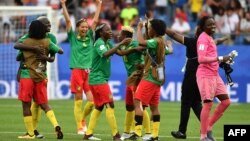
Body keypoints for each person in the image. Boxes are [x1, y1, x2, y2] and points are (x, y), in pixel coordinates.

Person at [166, 20, 229, 139]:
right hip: (203, 74)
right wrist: (223, 39)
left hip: (193, 74)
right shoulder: (206, 40)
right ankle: (207, 130)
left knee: (186, 101)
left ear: (199, 29)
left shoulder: (192, 41)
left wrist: (163, 28)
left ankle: (182, 131)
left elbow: (174, 35)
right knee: (196, 103)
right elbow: (216, 42)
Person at [14, 20, 64, 139]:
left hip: (27, 75)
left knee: (26, 105)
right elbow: (60, 51)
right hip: (41, 75)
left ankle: (30, 133)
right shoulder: (47, 41)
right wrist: (45, 55)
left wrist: (31, 49)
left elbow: (17, 52)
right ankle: (56, 124)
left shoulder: (25, 41)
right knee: (44, 104)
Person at [83, 23, 131, 141]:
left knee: (99, 106)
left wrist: (134, 48)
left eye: (110, 30)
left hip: (98, 79)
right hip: (97, 79)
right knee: (110, 104)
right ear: (100, 33)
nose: (110, 32)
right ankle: (116, 135)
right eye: (107, 30)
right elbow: (105, 54)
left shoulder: (107, 43)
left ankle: (88, 134)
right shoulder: (99, 42)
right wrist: (120, 43)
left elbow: (120, 53)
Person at [60, 0, 102, 134]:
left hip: (88, 72)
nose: (84, 29)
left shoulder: (90, 36)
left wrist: (99, 4)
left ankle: (81, 120)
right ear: (78, 28)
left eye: (86, 27)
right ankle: (80, 127)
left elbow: (95, 22)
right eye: (82, 27)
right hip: (77, 71)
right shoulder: (72, 37)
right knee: (78, 101)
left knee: (92, 102)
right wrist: (63, 5)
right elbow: (67, 22)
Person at [128, 19, 167, 141]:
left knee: (137, 102)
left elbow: (141, 42)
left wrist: (139, 27)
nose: (148, 29)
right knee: (154, 107)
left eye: (150, 28)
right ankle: (155, 136)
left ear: (154, 30)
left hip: (149, 77)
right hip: (158, 78)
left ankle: (137, 132)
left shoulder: (155, 41)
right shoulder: (162, 41)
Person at [196, 16, 231, 141]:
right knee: (208, 104)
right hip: (205, 74)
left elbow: (211, 55)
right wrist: (220, 58)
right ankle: (203, 136)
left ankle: (208, 126)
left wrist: (224, 61)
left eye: (213, 24)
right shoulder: (202, 39)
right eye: (210, 25)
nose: (213, 26)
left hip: (214, 74)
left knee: (226, 102)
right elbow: (201, 59)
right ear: (203, 27)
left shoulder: (209, 38)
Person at [116, 26, 152, 140]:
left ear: (126, 36)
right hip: (130, 78)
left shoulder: (136, 44)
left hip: (137, 77)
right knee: (129, 106)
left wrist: (142, 65)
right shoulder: (122, 45)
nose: (118, 36)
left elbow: (146, 53)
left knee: (139, 105)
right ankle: (127, 131)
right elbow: (120, 52)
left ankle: (148, 132)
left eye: (120, 34)